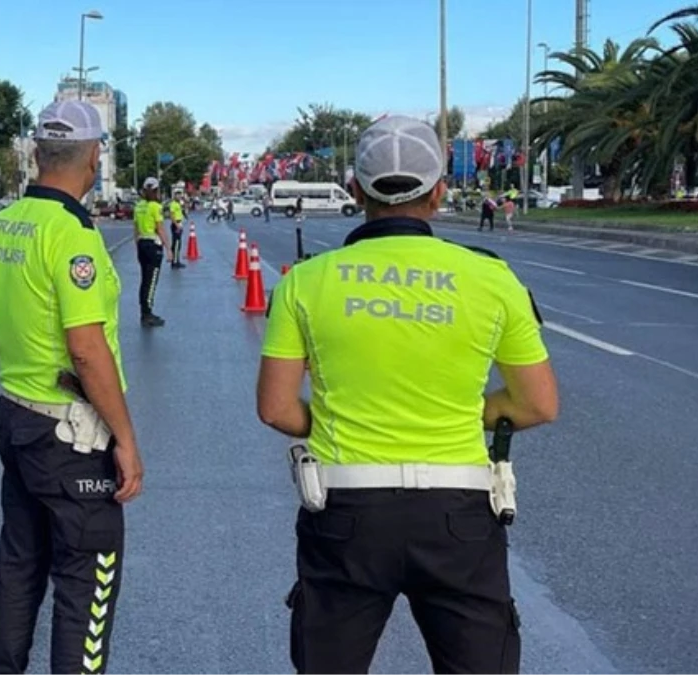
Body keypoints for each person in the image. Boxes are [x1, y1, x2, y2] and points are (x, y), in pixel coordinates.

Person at [256, 115, 559, 675]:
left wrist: (338, 415)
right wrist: (468, 412)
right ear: (439, 193)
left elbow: (276, 408)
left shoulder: (306, 280)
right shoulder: (492, 278)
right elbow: (537, 403)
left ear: (355, 191)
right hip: (459, 517)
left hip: (346, 513)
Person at [0, 100, 146, 675]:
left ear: (37, 154)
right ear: (94, 158)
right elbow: (87, 351)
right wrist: (125, 439)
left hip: (15, 419)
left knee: (20, 567)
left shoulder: (0, 226)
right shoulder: (72, 236)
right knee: (85, 584)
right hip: (70, 437)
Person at [134, 176, 170, 327]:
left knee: (144, 280)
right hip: (153, 245)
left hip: (142, 243)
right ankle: (147, 314)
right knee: (152, 280)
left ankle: (144, 311)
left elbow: (135, 228)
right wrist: (169, 248)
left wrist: (137, 245)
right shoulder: (155, 207)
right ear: (155, 191)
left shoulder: (138, 206)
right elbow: (160, 228)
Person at [168, 195, 187, 269]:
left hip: (179, 223)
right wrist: (176, 225)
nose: (179, 197)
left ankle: (177, 260)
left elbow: (183, 210)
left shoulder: (178, 204)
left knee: (178, 244)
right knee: (176, 244)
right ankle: (174, 262)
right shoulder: (173, 204)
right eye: (178, 195)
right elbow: (172, 216)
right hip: (176, 224)